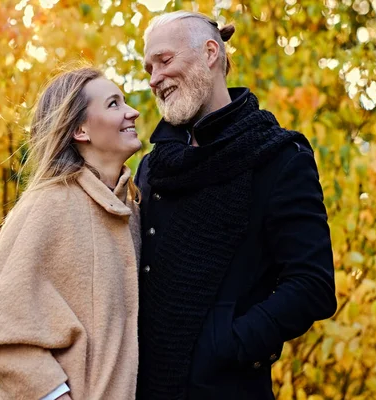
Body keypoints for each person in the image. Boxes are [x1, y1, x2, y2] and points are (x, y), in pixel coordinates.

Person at [135, 11, 337, 400]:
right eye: (148, 68)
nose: (153, 79)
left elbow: (312, 285)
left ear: (211, 52)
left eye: (164, 61)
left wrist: (226, 344)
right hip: (142, 386)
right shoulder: (153, 167)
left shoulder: (279, 156)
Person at [0, 67, 142, 400]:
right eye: (114, 104)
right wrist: (54, 395)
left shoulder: (130, 212)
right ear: (80, 130)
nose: (132, 111)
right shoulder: (49, 204)